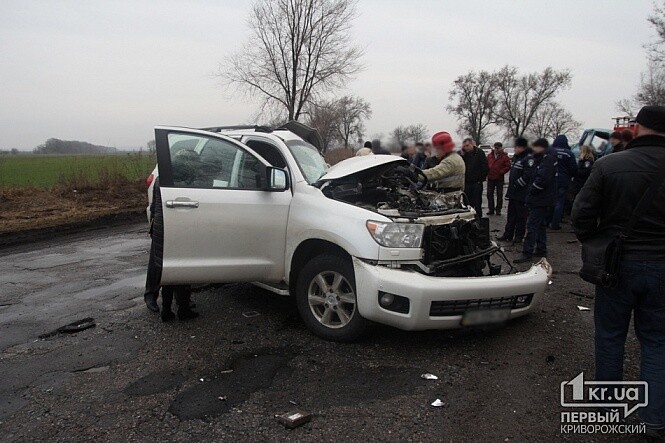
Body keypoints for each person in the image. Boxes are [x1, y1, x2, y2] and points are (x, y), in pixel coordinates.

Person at [571, 105, 665, 438]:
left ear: (637, 128)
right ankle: (654, 419)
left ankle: (608, 409)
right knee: (657, 341)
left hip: (617, 267)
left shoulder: (610, 164)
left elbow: (581, 214)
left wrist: (597, 243)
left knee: (610, 336)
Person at [514, 138, 557, 263]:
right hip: (542, 198)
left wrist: (531, 191)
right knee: (540, 225)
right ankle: (541, 248)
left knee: (532, 225)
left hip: (540, 199)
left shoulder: (547, 160)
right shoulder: (543, 158)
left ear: (541, 147)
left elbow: (541, 179)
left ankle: (527, 252)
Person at [498, 137, 533, 244]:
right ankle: (508, 234)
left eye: (516, 147)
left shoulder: (528, 159)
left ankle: (518, 236)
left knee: (521, 216)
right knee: (511, 215)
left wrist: (518, 184)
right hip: (514, 193)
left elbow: (528, 175)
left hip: (521, 193)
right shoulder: (518, 158)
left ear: (522, 147)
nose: (514, 149)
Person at [549, 135, 578, 230]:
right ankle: (555, 224)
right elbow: (573, 168)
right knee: (559, 202)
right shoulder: (569, 153)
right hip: (563, 180)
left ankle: (546, 222)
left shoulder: (550, 152)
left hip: (550, 179)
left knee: (549, 201)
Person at [143, 178, 163, 313]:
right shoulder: (163, 178)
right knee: (156, 262)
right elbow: (154, 205)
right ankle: (150, 295)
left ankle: (182, 299)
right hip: (163, 223)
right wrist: (153, 227)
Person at [461, 137, 488, 219]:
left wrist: (481, 179)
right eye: (464, 146)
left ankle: (478, 218)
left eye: (467, 145)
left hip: (477, 182)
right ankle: (468, 218)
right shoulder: (464, 154)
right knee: (467, 202)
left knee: (477, 202)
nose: (466, 148)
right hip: (467, 182)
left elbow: (485, 166)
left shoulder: (479, 153)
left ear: (472, 145)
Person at [486, 142, 512, 216]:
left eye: (498, 148)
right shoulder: (490, 156)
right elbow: (486, 164)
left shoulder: (504, 156)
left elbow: (508, 166)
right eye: (495, 148)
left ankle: (498, 210)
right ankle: (491, 209)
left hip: (499, 178)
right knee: (489, 194)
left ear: (501, 148)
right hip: (490, 177)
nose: (496, 149)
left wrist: (501, 172)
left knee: (499, 194)